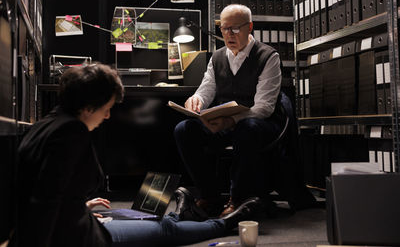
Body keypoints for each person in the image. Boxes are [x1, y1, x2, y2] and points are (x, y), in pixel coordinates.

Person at [9, 63, 261, 247]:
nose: (107, 116)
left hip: (75, 223)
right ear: (89, 106)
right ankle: (224, 224)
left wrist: (80, 207)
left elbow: (41, 192)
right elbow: (44, 204)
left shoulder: (46, 124)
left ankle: (181, 215)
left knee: (153, 220)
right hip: (77, 238)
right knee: (164, 230)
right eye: (106, 109)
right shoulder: (71, 133)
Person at [174, 4, 287, 218]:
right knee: (184, 129)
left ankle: (238, 198)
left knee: (247, 128)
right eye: (224, 29)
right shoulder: (217, 58)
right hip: (225, 122)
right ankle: (210, 195)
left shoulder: (268, 56)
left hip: (260, 124)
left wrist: (231, 121)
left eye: (235, 29)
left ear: (250, 27)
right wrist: (196, 100)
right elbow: (206, 89)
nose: (228, 34)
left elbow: (264, 107)